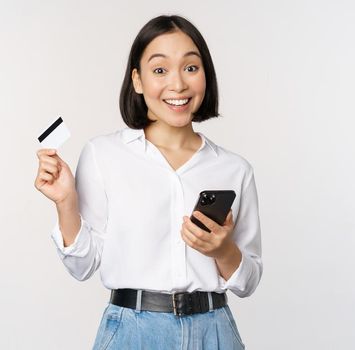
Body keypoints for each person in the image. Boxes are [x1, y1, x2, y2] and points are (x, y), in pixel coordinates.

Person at [33, 15, 262, 349]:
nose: (178, 84)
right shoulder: (103, 154)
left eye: (191, 68)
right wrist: (66, 203)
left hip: (215, 332)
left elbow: (249, 281)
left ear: (206, 76)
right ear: (137, 80)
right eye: (159, 70)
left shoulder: (234, 169)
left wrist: (223, 250)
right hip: (132, 332)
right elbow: (83, 266)